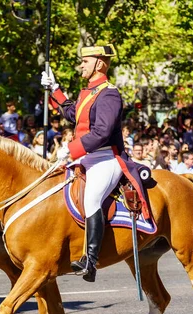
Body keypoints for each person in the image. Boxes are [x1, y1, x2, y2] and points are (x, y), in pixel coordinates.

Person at [41, 44, 128, 283]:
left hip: (105, 157)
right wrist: (55, 89)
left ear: (99, 63)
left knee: (91, 199)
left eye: (85, 62)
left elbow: (101, 132)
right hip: (85, 156)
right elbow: (73, 114)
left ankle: (90, 260)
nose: (81, 65)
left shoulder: (109, 93)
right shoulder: (88, 92)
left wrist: (70, 150)